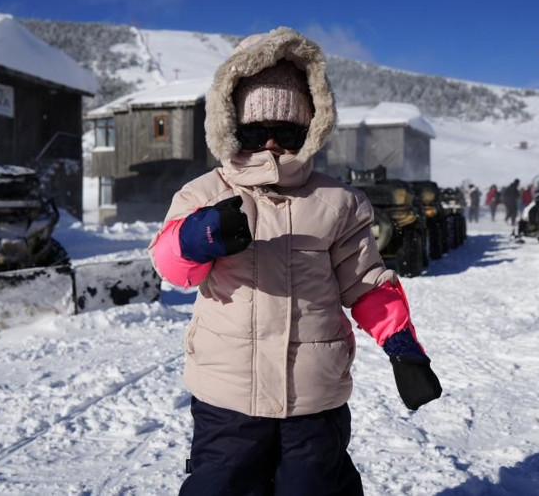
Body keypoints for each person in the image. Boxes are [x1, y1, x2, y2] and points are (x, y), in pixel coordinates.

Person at [148, 27, 441, 495]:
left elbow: (366, 283)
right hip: (228, 398)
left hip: (314, 400)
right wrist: (198, 236)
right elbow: (171, 268)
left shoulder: (338, 201)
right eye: (254, 131)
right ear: (230, 127)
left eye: (285, 132)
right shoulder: (204, 194)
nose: (270, 146)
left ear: (310, 130)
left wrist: (403, 347)